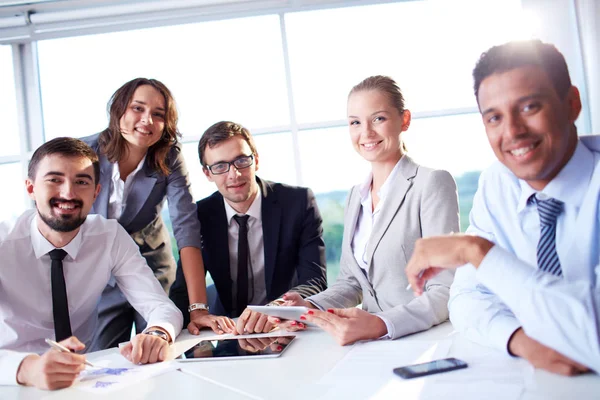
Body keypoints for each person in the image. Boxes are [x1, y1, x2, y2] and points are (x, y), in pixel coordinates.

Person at [405, 39, 599, 375]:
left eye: (529, 107)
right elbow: (465, 299)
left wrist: (475, 250)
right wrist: (520, 340)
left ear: (571, 104)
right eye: (494, 117)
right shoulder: (498, 183)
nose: (513, 132)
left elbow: (594, 333)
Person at [286, 75, 460, 345]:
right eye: (355, 122)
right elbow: (352, 283)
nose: (365, 133)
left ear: (404, 120)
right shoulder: (356, 196)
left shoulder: (432, 183)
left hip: (423, 341)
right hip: (368, 346)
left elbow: (445, 289)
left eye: (378, 118)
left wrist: (382, 324)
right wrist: (307, 305)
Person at [0, 137, 183, 390]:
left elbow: (160, 307)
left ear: (96, 192)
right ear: (31, 188)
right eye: (54, 180)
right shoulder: (3, 243)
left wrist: (158, 333)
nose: (68, 193)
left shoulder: (109, 237)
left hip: (81, 379)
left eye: (81, 182)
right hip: (10, 380)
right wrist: (26, 368)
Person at [81, 78, 227, 350]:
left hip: (152, 268)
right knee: (103, 356)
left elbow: (187, 230)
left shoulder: (168, 156)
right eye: (138, 108)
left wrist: (197, 308)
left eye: (158, 114)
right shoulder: (84, 152)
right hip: (99, 271)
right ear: (119, 110)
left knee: (165, 346)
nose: (147, 120)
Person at [169, 121, 327, 334]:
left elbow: (315, 280)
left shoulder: (297, 203)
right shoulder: (200, 216)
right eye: (220, 166)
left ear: (256, 160)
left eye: (241, 161)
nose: (234, 174)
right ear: (207, 174)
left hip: (284, 324)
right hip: (227, 328)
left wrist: (277, 308)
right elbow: (182, 290)